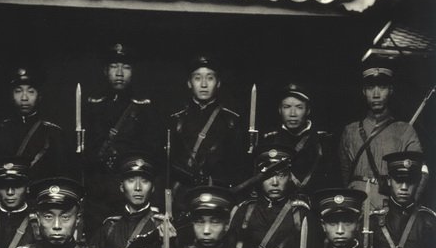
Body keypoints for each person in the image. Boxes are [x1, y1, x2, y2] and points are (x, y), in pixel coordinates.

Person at [83, 42, 164, 233]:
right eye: (114, 67)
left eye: (125, 67)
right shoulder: (92, 106)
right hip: (99, 195)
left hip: (131, 190)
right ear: (105, 70)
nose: (119, 73)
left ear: (133, 72)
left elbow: (152, 152)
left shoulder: (144, 108)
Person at [338, 58, 426, 210]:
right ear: (364, 91)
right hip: (356, 205)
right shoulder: (350, 131)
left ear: (391, 90)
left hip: (389, 206)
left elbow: (420, 173)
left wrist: (406, 207)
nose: (376, 94)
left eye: (382, 87)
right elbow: (345, 176)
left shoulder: (405, 131)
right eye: (371, 87)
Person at [169, 55, 246, 213]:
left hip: (217, 196)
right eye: (198, 78)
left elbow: (238, 168)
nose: (204, 84)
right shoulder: (177, 119)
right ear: (189, 83)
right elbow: (167, 165)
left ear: (218, 83)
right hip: (182, 198)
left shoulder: (231, 121)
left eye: (209, 78)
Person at [0, 66, 73, 183]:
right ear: (11, 95)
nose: (24, 97)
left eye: (31, 91)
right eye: (18, 91)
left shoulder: (53, 134)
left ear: (39, 96)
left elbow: (62, 176)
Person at [262, 83, 334, 194]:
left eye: (299, 107)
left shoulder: (323, 141)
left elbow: (330, 182)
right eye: (287, 107)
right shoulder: (269, 140)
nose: (292, 113)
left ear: (308, 110)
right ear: (280, 110)